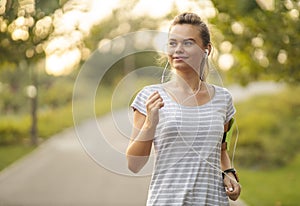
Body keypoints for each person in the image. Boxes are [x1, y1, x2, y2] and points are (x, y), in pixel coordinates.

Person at [126, 12, 241, 205]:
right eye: (172, 43)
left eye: (188, 43)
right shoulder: (150, 97)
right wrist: (150, 124)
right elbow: (133, 165)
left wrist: (228, 172)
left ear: (207, 49)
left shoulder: (223, 99)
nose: (178, 49)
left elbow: (221, 149)